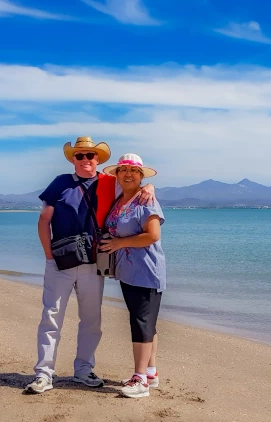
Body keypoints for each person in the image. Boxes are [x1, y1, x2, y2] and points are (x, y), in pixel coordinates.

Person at [25, 138, 155, 394]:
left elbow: (133, 185)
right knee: (51, 317)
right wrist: (48, 255)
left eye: (90, 156)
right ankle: (44, 374)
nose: (86, 160)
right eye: (80, 156)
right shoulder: (60, 183)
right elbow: (44, 220)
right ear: (73, 159)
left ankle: (83, 370)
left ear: (99, 160)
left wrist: (150, 186)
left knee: (92, 320)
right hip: (59, 262)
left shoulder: (109, 182)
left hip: (92, 262)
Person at [99, 153, 166, 399]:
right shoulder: (120, 200)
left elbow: (152, 235)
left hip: (146, 271)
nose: (129, 174)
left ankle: (140, 381)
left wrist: (118, 244)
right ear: (117, 175)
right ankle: (150, 373)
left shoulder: (146, 200)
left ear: (141, 175)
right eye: (124, 170)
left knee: (141, 324)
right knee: (146, 323)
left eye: (134, 171)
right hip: (128, 273)